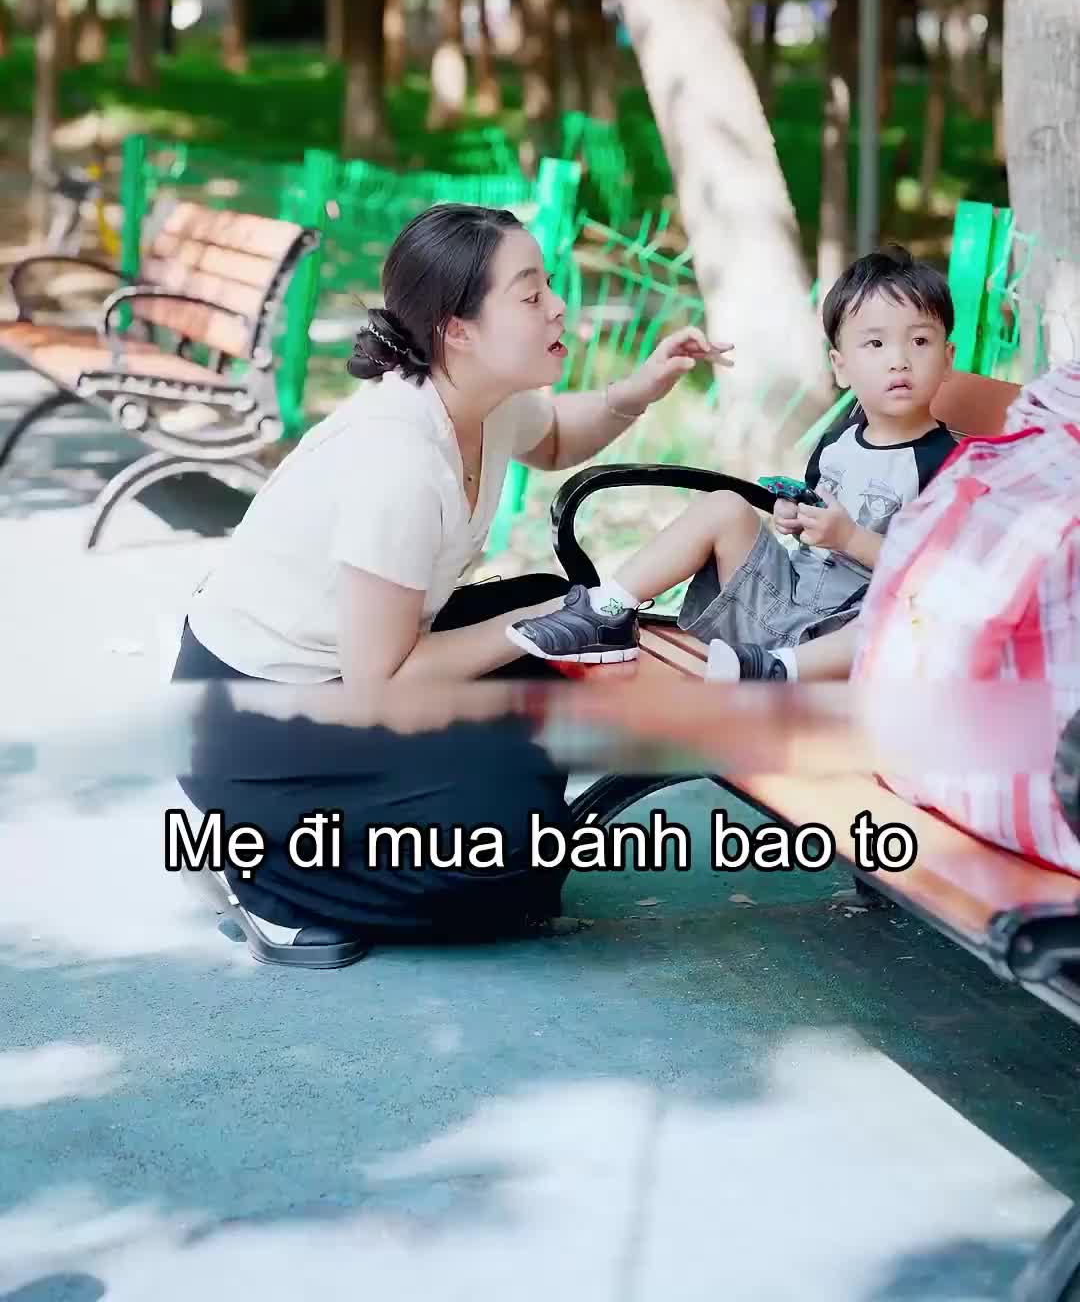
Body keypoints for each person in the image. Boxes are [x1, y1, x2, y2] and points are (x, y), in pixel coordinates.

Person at [173, 200, 731, 966]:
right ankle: (269, 871)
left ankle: (442, 803)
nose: (557, 305)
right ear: (457, 330)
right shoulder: (398, 461)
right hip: (255, 720)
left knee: (554, 651)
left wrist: (639, 390)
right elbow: (380, 683)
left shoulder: (477, 400)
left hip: (346, 676)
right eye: (531, 295)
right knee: (508, 850)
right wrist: (533, 622)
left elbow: (557, 437)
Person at [508, 246, 958, 685]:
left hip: (847, 636)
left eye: (919, 341)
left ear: (947, 359)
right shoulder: (838, 442)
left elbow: (942, 577)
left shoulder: (951, 466)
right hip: (784, 599)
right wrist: (796, 520)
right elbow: (815, 517)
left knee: (905, 616)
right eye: (876, 343)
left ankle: (776, 670)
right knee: (726, 506)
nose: (899, 360)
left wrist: (851, 539)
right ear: (840, 367)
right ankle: (606, 611)